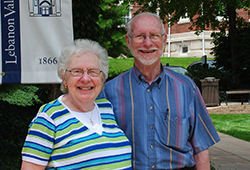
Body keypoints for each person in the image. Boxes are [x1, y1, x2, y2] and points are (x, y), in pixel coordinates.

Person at [100, 12, 220, 170]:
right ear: (128, 41)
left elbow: (201, 148)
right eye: (140, 36)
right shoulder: (109, 92)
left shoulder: (186, 88)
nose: (148, 43)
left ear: (164, 40)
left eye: (154, 35)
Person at [21, 39, 132, 170]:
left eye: (93, 71)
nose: (85, 78)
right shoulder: (48, 118)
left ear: (102, 79)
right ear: (64, 78)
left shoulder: (105, 108)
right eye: (77, 71)